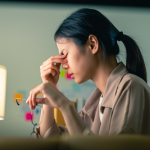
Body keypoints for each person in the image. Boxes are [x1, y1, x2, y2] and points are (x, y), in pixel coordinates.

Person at [26, 8, 150, 138]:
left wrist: (65, 104)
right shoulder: (94, 106)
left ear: (92, 44)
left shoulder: (130, 86)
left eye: (65, 54)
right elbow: (53, 143)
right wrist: (49, 87)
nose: (63, 65)